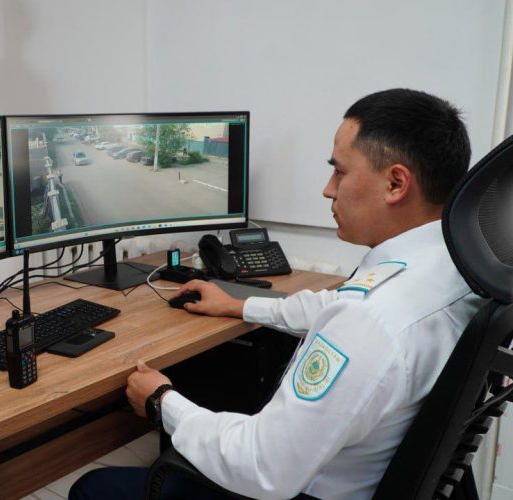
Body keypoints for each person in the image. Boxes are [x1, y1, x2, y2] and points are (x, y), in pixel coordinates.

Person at [70, 89, 484, 499]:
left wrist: (162, 402)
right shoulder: (454, 270)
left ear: (395, 183)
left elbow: (262, 467)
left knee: (92, 488)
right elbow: (338, 305)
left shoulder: (370, 322)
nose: (328, 189)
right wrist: (238, 305)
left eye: (340, 172)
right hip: (354, 472)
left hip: (294, 487)